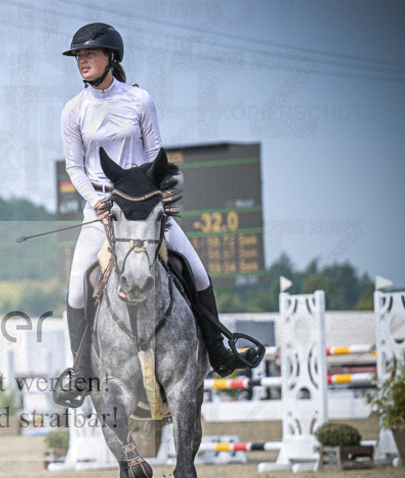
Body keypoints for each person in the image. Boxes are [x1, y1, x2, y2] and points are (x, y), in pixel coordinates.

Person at [58, 22, 260, 406]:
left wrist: (160, 198)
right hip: (102, 208)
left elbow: (156, 156)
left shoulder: (139, 101)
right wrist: (97, 204)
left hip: (145, 207)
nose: (82, 61)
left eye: (90, 54)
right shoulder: (73, 110)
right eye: (79, 56)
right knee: (76, 287)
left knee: (195, 270)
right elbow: (74, 167)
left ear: (111, 58)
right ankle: (81, 371)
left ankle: (218, 351)